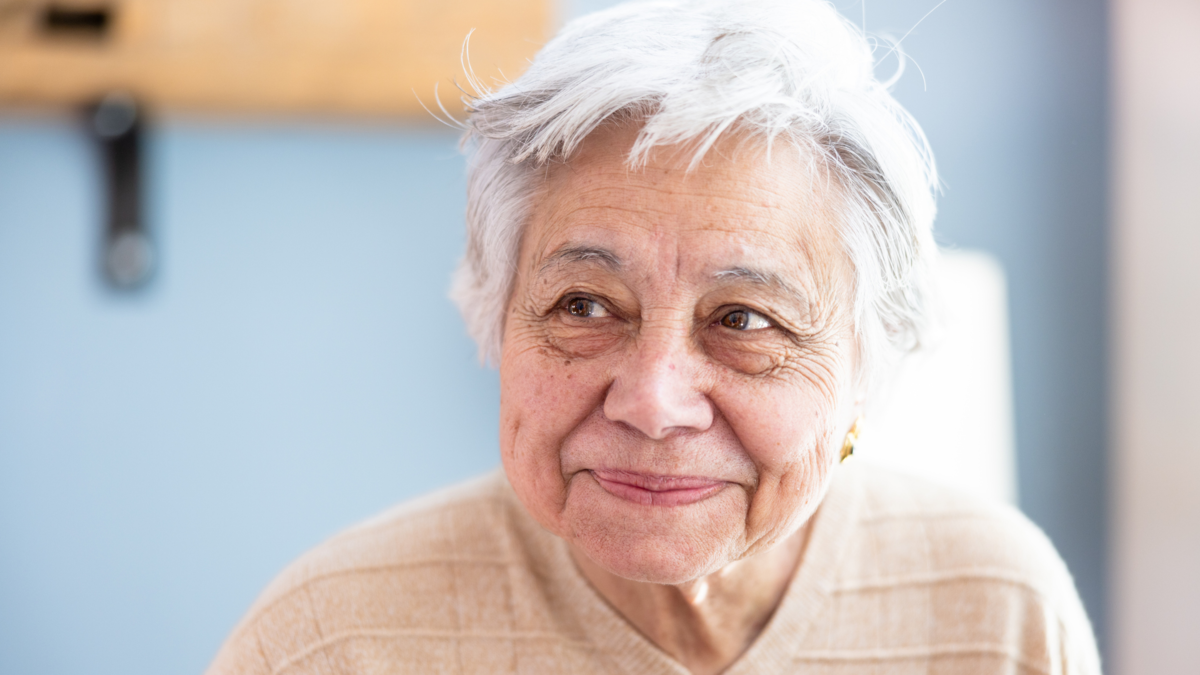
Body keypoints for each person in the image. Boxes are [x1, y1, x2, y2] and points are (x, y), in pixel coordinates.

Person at [207, 1, 1101, 673]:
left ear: (862, 370)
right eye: (585, 306)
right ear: (497, 321)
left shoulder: (997, 615)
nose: (653, 400)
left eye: (743, 320)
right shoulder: (330, 640)